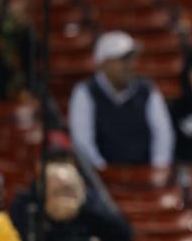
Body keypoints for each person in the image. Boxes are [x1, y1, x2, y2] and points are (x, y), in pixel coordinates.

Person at [67, 31, 175, 170]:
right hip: (101, 178)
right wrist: (103, 172)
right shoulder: (85, 92)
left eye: (131, 59)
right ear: (103, 63)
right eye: (122, 59)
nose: (129, 65)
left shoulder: (147, 89)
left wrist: (157, 169)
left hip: (144, 174)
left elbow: (163, 135)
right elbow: (82, 142)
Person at [10, 160, 132, 241]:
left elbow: (123, 235)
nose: (65, 199)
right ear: (42, 191)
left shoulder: (90, 205)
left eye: (69, 190)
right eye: (58, 191)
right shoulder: (28, 207)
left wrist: (83, 208)